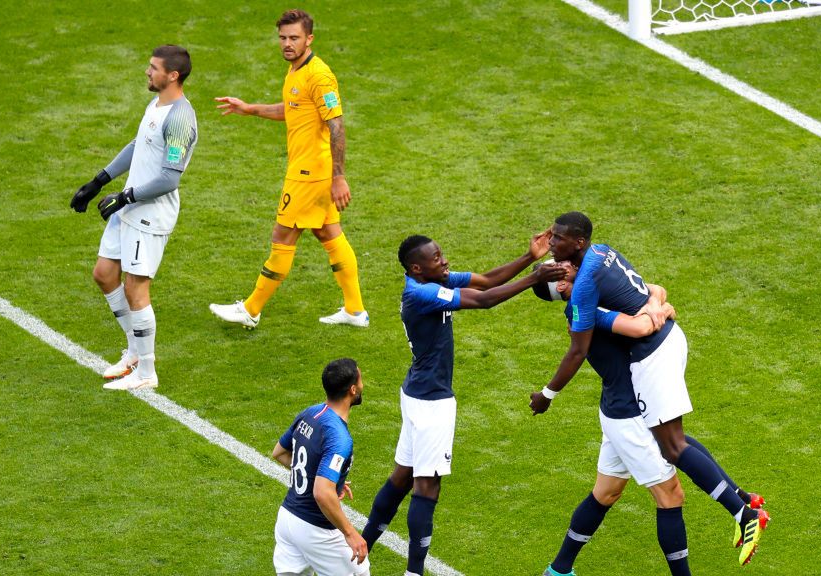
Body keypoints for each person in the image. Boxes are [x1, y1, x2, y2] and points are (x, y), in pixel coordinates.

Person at [530, 212, 769, 566]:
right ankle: (742, 509)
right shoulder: (586, 307)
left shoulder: (592, 285)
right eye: (556, 270)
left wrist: (655, 304)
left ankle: (559, 569)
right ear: (560, 288)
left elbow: (652, 293)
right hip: (627, 415)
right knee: (656, 491)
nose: (557, 261)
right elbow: (641, 324)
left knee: (631, 476)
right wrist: (656, 310)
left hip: (621, 407)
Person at [360, 231, 566, 576]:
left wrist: (529, 257)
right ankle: (413, 572)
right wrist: (535, 278)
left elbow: (485, 282)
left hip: (416, 393)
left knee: (402, 477)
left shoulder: (431, 279)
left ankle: (360, 549)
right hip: (431, 403)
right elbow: (484, 301)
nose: (445, 261)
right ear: (417, 267)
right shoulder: (422, 293)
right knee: (427, 486)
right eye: (437, 257)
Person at [209, 9, 367, 329]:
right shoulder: (296, 70)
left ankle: (251, 309)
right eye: (282, 37)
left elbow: (336, 125)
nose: (287, 43)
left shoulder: (319, 76)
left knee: (283, 234)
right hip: (310, 170)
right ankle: (355, 310)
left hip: (310, 173)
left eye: (294, 38)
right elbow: (292, 110)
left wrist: (339, 177)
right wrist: (250, 108)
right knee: (328, 233)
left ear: (309, 38)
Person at [70, 45, 198, 391]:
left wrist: (124, 195)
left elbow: (170, 177)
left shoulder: (181, 118)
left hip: (150, 213)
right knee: (104, 273)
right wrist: (98, 181)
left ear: (173, 75)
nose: (147, 72)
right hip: (128, 206)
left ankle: (146, 373)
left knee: (135, 288)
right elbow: (137, 145)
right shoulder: (156, 105)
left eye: (153, 68)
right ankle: (134, 351)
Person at [271, 358, 370, 576]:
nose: (363, 385)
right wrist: (350, 532)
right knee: (359, 572)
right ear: (353, 390)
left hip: (287, 520)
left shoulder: (311, 413)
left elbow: (279, 452)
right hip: (315, 529)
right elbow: (322, 493)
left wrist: (327, 479)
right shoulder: (340, 438)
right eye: (361, 380)